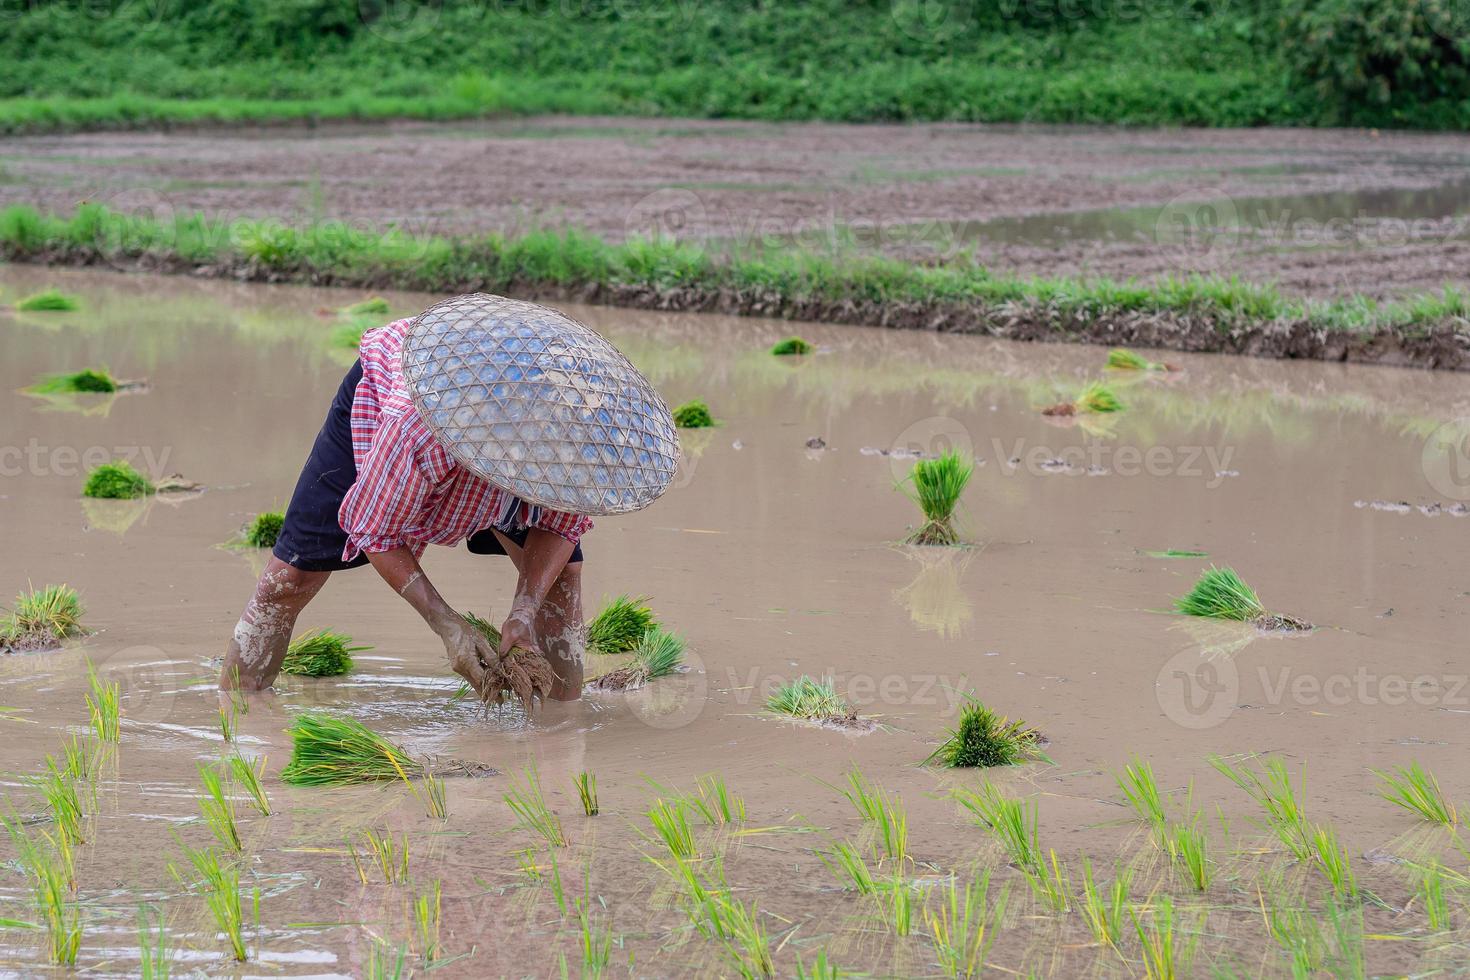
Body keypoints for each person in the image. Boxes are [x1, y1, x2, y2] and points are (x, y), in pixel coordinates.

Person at [219, 311, 592, 699]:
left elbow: (562, 525)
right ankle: (239, 707)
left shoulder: (573, 437)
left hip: (517, 403)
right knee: (289, 582)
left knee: (561, 580)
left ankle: (562, 728)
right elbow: (374, 529)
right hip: (401, 383)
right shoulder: (418, 423)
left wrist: (523, 611)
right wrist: (447, 623)